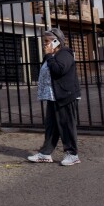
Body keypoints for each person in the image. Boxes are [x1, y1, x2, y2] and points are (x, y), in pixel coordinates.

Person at [27, 27, 81, 166]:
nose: (45, 44)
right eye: (44, 41)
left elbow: (58, 71)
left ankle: (72, 154)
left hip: (64, 96)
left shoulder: (65, 54)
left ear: (57, 41)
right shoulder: (50, 56)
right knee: (52, 126)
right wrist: (49, 56)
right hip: (52, 96)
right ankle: (45, 153)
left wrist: (50, 56)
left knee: (66, 125)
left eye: (47, 41)